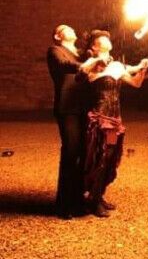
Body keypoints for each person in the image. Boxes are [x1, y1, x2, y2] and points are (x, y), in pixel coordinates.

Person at [83, 30, 148, 217]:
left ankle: (98, 195)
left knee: (110, 158)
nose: (107, 40)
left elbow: (136, 83)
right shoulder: (91, 65)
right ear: (94, 46)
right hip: (100, 118)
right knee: (100, 158)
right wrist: (102, 69)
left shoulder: (117, 65)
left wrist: (142, 68)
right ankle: (92, 200)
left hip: (114, 120)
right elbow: (85, 78)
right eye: (102, 39)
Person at [46, 24, 99, 219]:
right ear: (58, 36)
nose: (72, 29)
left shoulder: (81, 53)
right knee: (70, 151)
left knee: (84, 153)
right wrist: (87, 64)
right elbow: (64, 66)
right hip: (67, 108)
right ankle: (64, 204)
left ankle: (78, 199)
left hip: (84, 107)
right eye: (65, 28)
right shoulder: (55, 51)